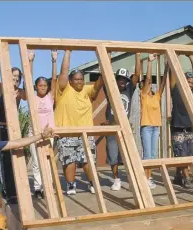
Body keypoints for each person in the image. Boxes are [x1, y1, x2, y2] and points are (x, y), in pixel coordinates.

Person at [55, 50, 103, 195]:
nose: (79, 82)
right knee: (69, 161)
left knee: (88, 161)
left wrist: (104, 61)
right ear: (70, 81)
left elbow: (99, 85)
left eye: (81, 79)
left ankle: (92, 183)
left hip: (86, 133)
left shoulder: (86, 90)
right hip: (67, 132)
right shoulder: (63, 89)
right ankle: (70, 185)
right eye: (76, 79)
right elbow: (63, 71)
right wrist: (68, 51)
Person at [0, 52, 30, 203]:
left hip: (13, 129)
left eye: (18, 78)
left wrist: (26, 69)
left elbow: (28, 95)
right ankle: (8, 193)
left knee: (16, 159)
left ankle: (16, 190)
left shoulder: (20, 93)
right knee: (4, 160)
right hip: (1, 129)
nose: (15, 80)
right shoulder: (2, 89)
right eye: (13, 77)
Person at [103, 53, 141, 191]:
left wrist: (137, 54)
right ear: (116, 79)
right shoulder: (110, 90)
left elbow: (137, 74)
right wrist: (107, 57)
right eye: (120, 79)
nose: (122, 82)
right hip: (112, 127)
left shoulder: (129, 89)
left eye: (125, 79)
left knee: (128, 156)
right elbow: (105, 72)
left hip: (125, 128)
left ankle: (131, 179)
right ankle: (116, 179)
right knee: (113, 156)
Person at [28, 50, 58, 197]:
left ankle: (48, 186)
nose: (43, 87)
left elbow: (54, 80)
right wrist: (31, 60)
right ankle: (38, 188)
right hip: (34, 133)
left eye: (44, 86)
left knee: (47, 161)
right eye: (40, 86)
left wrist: (54, 61)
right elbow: (28, 78)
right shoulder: (32, 97)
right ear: (36, 87)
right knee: (36, 162)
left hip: (49, 133)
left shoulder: (50, 97)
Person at [170, 55, 193, 189]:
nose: (190, 84)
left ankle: (179, 176)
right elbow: (173, 76)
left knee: (188, 153)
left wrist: (191, 59)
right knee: (181, 153)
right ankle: (187, 177)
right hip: (177, 126)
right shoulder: (177, 89)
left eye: (192, 83)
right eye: (188, 81)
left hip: (189, 126)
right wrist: (175, 58)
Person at [140, 54, 167, 189]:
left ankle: (148, 177)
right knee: (148, 154)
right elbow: (149, 79)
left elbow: (163, 83)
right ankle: (146, 178)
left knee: (153, 155)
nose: (150, 86)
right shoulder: (143, 95)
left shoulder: (156, 96)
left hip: (156, 127)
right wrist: (150, 63)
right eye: (148, 85)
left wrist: (167, 66)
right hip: (146, 127)